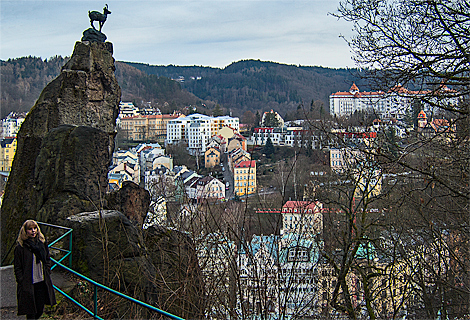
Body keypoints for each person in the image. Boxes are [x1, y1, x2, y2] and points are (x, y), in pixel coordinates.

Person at [14, 220, 56, 319]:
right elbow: (17, 267)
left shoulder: (42, 243)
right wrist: (21, 280)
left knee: (40, 309)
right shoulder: (20, 247)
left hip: (41, 280)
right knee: (31, 312)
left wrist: (47, 270)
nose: (33, 231)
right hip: (28, 283)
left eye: (35, 228)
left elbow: (47, 258)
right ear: (25, 231)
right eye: (30, 229)